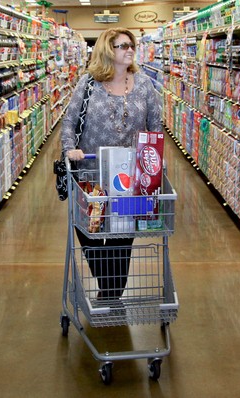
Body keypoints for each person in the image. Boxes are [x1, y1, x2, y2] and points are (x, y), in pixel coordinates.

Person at [61, 28, 162, 301]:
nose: (129, 50)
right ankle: (108, 282)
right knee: (88, 230)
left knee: (121, 234)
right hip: (90, 172)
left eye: (131, 45)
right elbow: (69, 121)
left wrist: (154, 162)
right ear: (107, 50)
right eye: (122, 46)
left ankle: (112, 292)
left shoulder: (144, 85)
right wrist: (70, 150)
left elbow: (155, 127)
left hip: (128, 176)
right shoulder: (88, 83)